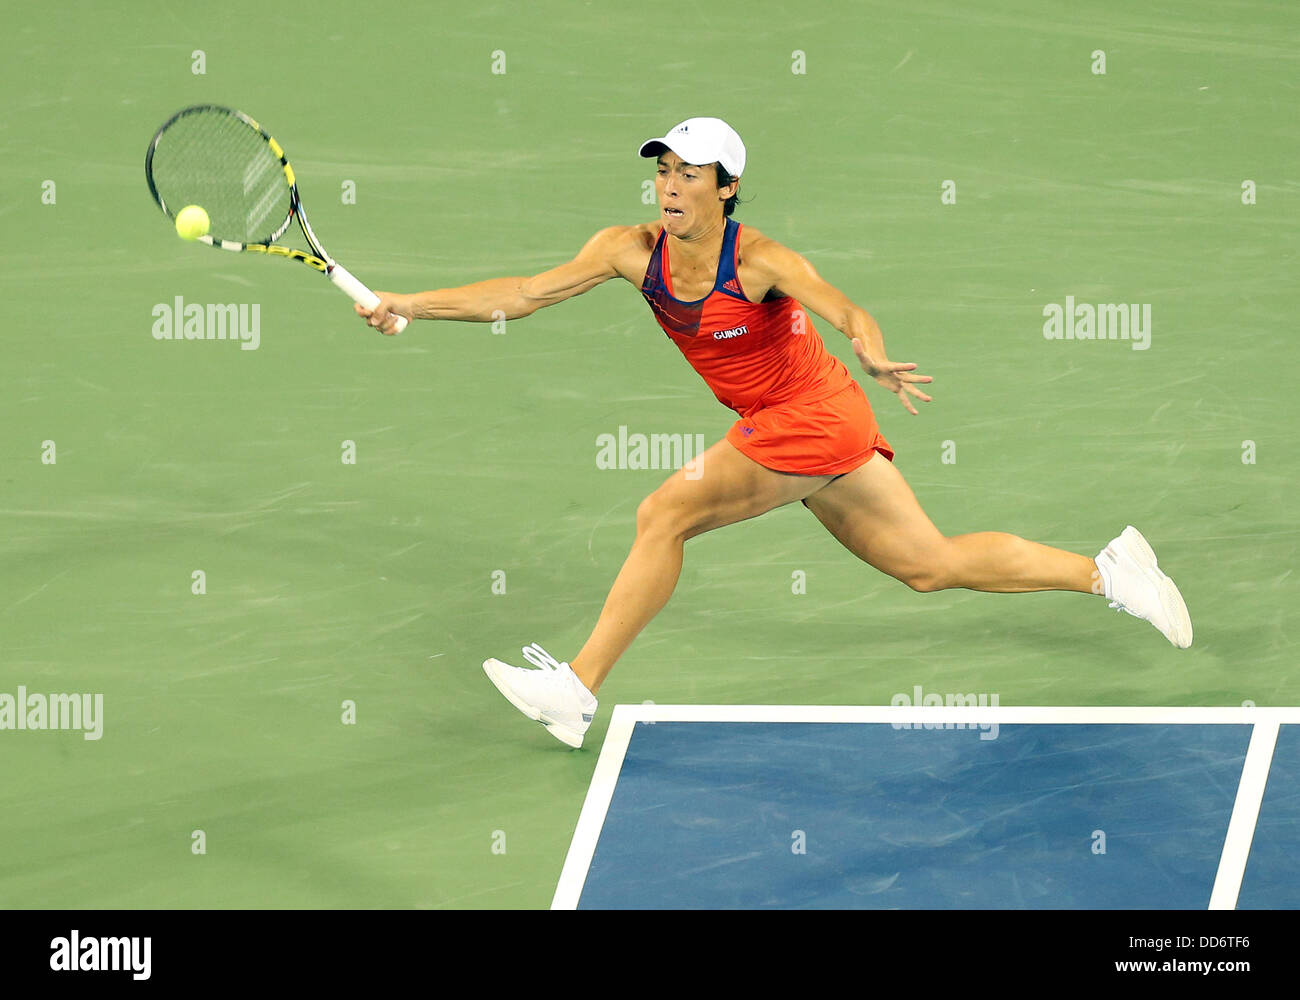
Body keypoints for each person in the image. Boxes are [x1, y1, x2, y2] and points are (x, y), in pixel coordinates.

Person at [355, 117, 1193, 749]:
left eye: (691, 173)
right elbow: (525, 294)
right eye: (664, 170)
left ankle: (577, 688)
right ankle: (1111, 573)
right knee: (927, 566)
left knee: (665, 514)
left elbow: (844, 307)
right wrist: (410, 305)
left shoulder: (759, 261)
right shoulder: (625, 250)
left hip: (817, 414)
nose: (670, 185)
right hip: (796, 424)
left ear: (727, 188)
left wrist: (874, 352)